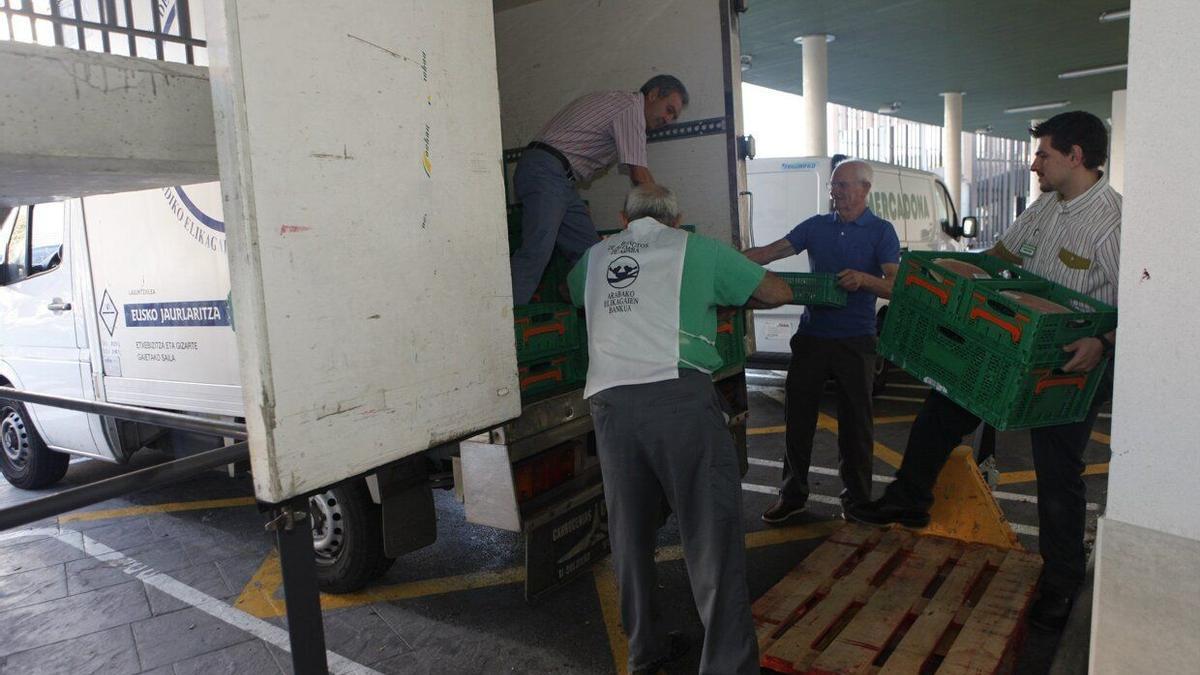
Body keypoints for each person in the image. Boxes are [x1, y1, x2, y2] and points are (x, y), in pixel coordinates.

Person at [846, 111, 1121, 633]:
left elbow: (1143, 298)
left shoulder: (1114, 222)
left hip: (1069, 364)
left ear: (1075, 156)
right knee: (941, 408)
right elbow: (1000, 255)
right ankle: (908, 500)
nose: (1034, 162)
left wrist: (1101, 340)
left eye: (1043, 154)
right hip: (1010, 345)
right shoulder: (1044, 207)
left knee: (1057, 472)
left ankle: (1061, 582)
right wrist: (948, 272)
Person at [568, 184, 791, 674]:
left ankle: (645, 653)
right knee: (710, 534)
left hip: (610, 407)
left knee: (629, 536)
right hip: (677, 400)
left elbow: (576, 294)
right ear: (676, 218)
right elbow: (777, 291)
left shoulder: (594, 256)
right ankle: (727, 666)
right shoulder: (697, 248)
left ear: (624, 219)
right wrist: (723, 299)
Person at [744, 159, 900, 524]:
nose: (835, 192)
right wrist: (726, 261)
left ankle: (858, 501)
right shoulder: (816, 227)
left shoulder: (882, 231)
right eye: (833, 186)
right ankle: (792, 494)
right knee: (797, 420)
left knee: (856, 425)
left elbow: (896, 285)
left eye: (843, 186)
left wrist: (864, 279)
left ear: (864, 189)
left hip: (856, 341)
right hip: (812, 338)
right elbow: (769, 252)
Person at [511, 75, 688, 304]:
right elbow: (639, 175)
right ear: (653, 94)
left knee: (592, 256)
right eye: (669, 109)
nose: (668, 119)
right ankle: (506, 321)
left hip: (560, 179)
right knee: (537, 249)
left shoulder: (625, 107)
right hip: (546, 170)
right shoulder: (631, 107)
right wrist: (667, 219)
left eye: (673, 116)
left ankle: (571, 298)